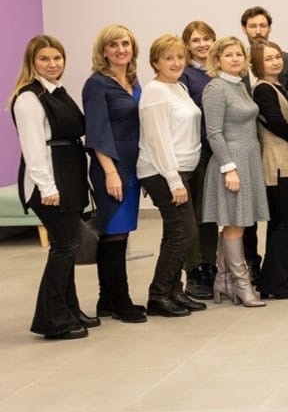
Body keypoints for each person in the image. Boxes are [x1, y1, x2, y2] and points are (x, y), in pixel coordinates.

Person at [11, 35, 94, 339]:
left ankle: (69, 309)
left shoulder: (58, 92)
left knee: (68, 247)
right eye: (44, 59)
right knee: (65, 246)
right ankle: (53, 320)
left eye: (57, 58)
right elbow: (33, 148)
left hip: (69, 177)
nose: (52, 64)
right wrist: (47, 188)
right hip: (49, 183)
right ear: (32, 62)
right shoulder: (29, 98)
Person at [136, 35, 205, 317]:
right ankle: (158, 295)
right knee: (183, 232)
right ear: (155, 63)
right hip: (161, 171)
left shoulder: (178, 87)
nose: (176, 63)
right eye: (168, 58)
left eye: (179, 57)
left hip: (181, 169)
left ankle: (174, 291)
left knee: (176, 232)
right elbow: (158, 141)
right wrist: (174, 180)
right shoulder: (155, 92)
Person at [199, 36, 270, 308]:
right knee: (235, 224)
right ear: (217, 60)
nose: (235, 58)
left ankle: (223, 280)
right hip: (231, 162)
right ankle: (242, 284)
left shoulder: (239, 84)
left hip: (248, 158)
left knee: (235, 223)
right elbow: (214, 133)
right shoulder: (216, 88)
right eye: (228, 55)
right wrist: (229, 168)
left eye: (238, 54)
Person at [83, 24, 146, 323]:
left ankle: (106, 300)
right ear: (103, 51)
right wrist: (110, 172)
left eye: (125, 43)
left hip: (133, 165)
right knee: (114, 232)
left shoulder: (133, 80)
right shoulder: (96, 84)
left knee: (119, 232)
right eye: (113, 45)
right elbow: (96, 132)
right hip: (112, 166)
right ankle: (121, 301)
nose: (121, 49)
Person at [251, 40, 288, 299]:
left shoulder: (276, 85)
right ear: (257, 63)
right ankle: (274, 282)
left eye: (277, 57)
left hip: (284, 160)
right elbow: (274, 121)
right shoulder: (263, 88)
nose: (275, 62)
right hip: (276, 164)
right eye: (268, 58)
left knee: (280, 222)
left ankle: (280, 277)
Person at [179, 20, 218, 299]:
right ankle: (193, 271)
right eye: (196, 40)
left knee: (212, 214)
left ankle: (210, 265)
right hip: (199, 152)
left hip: (220, 151)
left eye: (206, 38)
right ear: (187, 45)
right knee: (196, 214)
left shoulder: (219, 72)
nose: (202, 44)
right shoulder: (185, 76)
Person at [241, 6, 288, 99]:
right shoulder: (239, 61)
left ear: (269, 28)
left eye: (263, 26)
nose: (258, 31)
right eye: (253, 26)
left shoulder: (287, 59)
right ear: (244, 29)